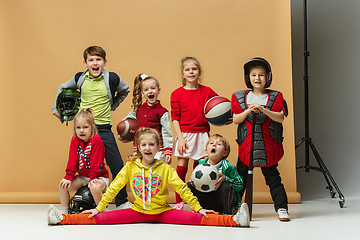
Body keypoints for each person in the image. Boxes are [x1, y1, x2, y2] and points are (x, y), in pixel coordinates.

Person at [47, 127, 250, 228]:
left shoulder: (165, 169)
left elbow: (182, 188)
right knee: (98, 218)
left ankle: (235, 220)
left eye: (152, 145)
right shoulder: (130, 167)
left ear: (157, 148)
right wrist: (100, 207)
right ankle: (62, 218)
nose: (147, 148)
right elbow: (114, 188)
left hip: (163, 212)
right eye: (144, 145)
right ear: (138, 147)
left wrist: (197, 207)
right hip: (137, 212)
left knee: (200, 218)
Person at [51, 46, 132, 210]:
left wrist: (112, 105)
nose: (95, 63)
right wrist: (55, 109)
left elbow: (125, 90)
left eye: (98, 60)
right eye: (91, 60)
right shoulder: (80, 78)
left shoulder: (112, 78)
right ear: (85, 63)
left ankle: (121, 201)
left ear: (104, 62)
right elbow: (62, 88)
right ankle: (88, 200)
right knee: (83, 162)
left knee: (117, 166)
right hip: (84, 130)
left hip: (103, 129)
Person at [231, 57, 290, 221]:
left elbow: (280, 118)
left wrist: (263, 109)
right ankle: (235, 207)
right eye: (254, 75)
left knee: (273, 178)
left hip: (268, 146)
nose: (257, 78)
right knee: (240, 178)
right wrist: (248, 111)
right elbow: (236, 119)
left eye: (261, 75)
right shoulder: (240, 97)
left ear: (268, 77)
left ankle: (282, 208)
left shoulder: (275, 96)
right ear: (248, 78)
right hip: (247, 146)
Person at [170, 57, 220, 210]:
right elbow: (175, 118)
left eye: (194, 69)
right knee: (181, 168)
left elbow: (219, 107)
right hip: (185, 134)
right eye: (187, 69)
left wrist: (226, 117)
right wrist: (180, 138)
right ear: (183, 74)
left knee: (200, 171)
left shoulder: (207, 91)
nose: (191, 72)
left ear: (199, 72)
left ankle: (196, 202)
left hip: (202, 134)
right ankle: (179, 202)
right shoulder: (177, 94)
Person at [57, 109, 109, 214]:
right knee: (62, 185)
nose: (81, 131)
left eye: (85, 127)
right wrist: (68, 176)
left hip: (99, 176)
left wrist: (93, 178)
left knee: (94, 187)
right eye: (78, 128)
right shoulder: (75, 140)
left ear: (92, 128)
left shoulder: (96, 139)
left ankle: (102, 211)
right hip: (84, 177)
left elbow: (97, 162)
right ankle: (64, 211)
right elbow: (72, 160)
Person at [119, 74, 173, 164]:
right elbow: (127, 121)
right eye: (146, 89)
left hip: (157, 150)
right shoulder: (138, 108)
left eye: (153, 88)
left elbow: (167, 133)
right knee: (140, 173)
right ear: (142, 93)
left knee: (157, 173)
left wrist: (168, 151)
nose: (150, 91)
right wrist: (122, 133)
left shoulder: (162, 112)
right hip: (140, 148)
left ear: (158, 90)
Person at [187, 134, 244, 215]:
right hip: (206, 199)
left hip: (221, 201)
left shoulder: (229, 167)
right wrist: (193, 182)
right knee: (189, 185)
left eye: (219, 144)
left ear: (225, 153)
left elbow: (240, 185)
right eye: (211, 143)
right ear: (206, 151)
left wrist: (226, 178)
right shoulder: (200, 165)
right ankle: (198, 209)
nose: (214, 144)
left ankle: (227, 212)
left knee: (226, 185)